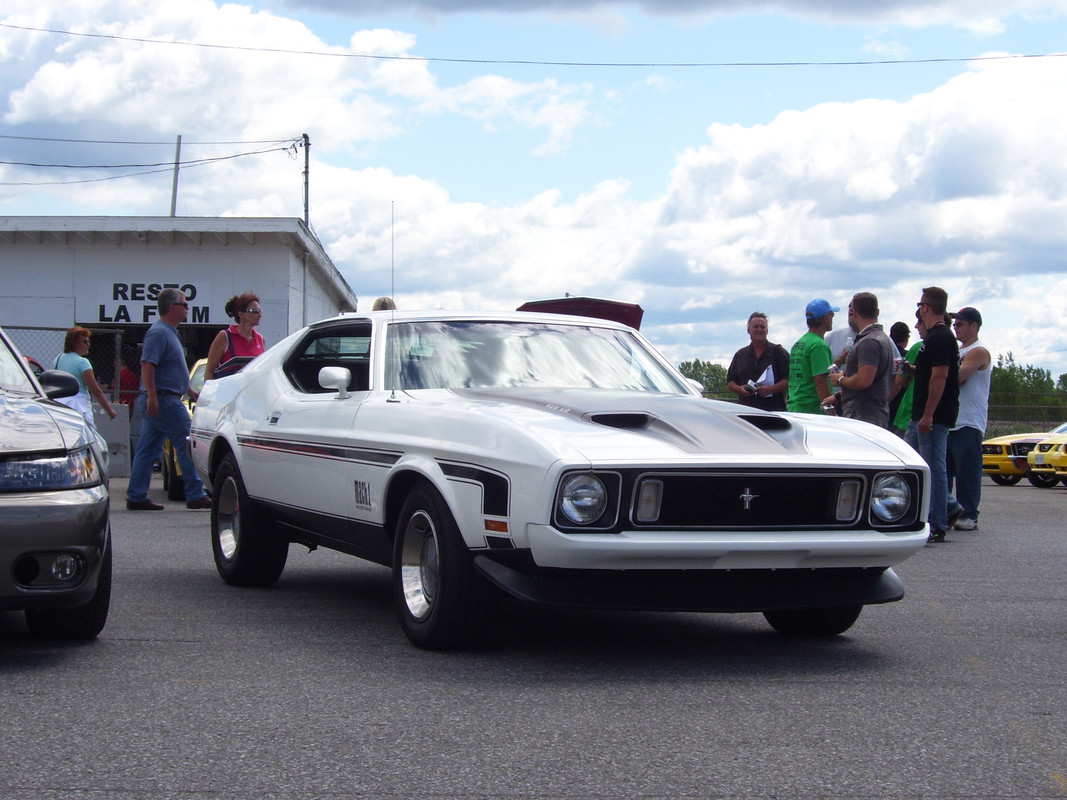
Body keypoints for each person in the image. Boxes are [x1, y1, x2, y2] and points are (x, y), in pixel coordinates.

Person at [126, 288, 212, 511]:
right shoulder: (158, 333)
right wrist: (153, 396)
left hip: (166, 398)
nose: (187, 308)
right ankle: (195, 493)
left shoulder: (170, 332)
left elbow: (172, 368)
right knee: (186, 444)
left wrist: (189, 391)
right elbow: (147, 364)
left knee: (147, 450)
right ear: (172, 307)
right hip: (164, 400)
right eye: (184, 304)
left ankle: (136, 495)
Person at [909, 287, 959, 543]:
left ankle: (938, 522)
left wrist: (929, 414)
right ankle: (947, 507)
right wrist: (914, 369)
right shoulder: (934, 338)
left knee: (933, 467)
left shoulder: (940, 337)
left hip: (933, 415)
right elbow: (931, 372)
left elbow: (940, 375)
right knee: (910, 461)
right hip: (920, 412)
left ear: (926, 307)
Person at [947, 307, 991, 531]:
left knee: (967, 472)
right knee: (944, 470)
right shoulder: (957, 351)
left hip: (969, 421)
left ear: (974, 326)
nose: (956, 326)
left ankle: (969, 514)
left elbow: (959, 377)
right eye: (955, 323)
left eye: (961, 323)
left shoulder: (978, 351)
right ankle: (946, 511)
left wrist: (950, 373)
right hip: (950, 420)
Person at [827, 292, 896, 426]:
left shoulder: (868, 342)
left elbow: (864, 381)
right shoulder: (884, 339)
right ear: (877, 312)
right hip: (875, 413)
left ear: (854, 312)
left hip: (863, 415)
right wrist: (838, 396)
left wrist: (840, 379)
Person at [52, 326, 118, 428]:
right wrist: (109, 410)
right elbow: (95, 390)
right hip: (78, 405)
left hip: (59, 405)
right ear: (74, 343)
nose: (88, 344)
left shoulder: (57, 359)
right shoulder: (83, 362)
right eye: (85, 342)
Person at [726, 312, 790, 412]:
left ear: (767, 330)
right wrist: (740, 389)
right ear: (748, 330)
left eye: (762, 327)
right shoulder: (740, 355)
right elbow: (730, 382)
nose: (759, 330)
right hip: (746, 412)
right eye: (755, 327)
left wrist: (771, 389)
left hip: (773, 412)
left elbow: (789, 380)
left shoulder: (778, 352)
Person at [787, 299, 837, 414]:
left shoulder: (799, 343)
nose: (833, 318)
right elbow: (820, 381)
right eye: (832, 315)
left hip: (795, 406)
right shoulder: (819, 345)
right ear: (826, 318)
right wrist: (830, 410)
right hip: (812, 411)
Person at [205, 293, 265, 380]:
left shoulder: (260, 339)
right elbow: (209, 371)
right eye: (255, 311)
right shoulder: (225, 337)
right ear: (241, 314)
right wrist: (210, 392)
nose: (260, 315)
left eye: (260, 311)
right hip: (229, 391)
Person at [887, 321, 911, 425]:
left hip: (882, 403)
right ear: (907, 338)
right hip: (901, 407)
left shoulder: (886, 354)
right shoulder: (908, 356)